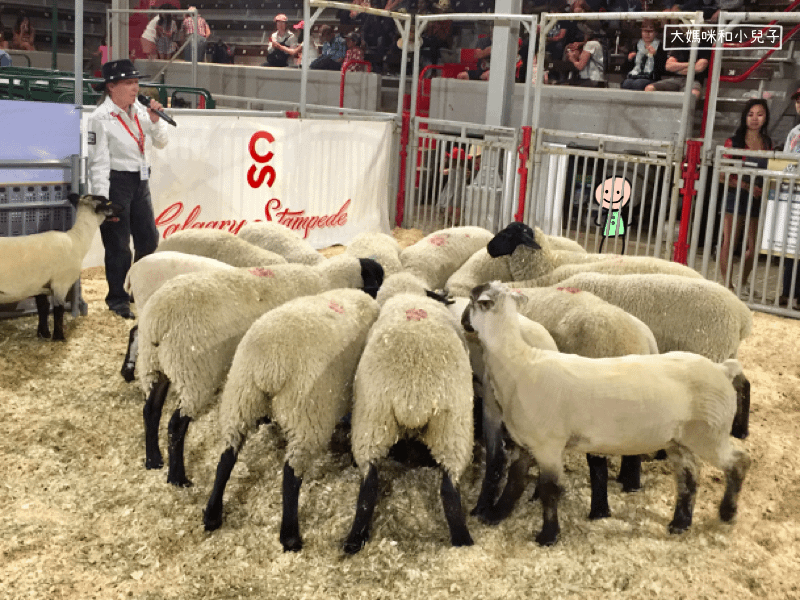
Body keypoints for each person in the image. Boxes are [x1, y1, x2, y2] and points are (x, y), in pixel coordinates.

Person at [86, 59, 170, 320]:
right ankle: (117, 298)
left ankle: (137, 288)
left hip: (140, 181)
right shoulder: (101, 117)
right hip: (116, 182)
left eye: (136, 82)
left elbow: (161, 142)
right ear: (111, 86)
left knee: (148, 239)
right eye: (128, 83)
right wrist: (102, 200)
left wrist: (156, 120)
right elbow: (98, 161)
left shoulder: (142, 111)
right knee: (119, 245)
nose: (135, 88)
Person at [718, 99, 772, 294]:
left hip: (758, 198)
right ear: (744, 117)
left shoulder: (767, 142)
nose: (755, 119)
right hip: (736, 196)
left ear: (765, 118)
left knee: (754, 246)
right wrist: (747, 186)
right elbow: (723, 175)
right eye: (751, 114)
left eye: (760, 114)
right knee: (730, 241)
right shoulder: (733, 141)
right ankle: (727, 285)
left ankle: (743, 282)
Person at [779, 86, 800, 308]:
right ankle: (787, 292)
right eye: (798, 100)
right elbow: (785, 161)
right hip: (794, 196)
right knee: (790, 247)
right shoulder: (794, 133)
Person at [644, 38, 710, 99]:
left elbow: (699, 68)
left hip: (694, 80)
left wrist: (678, 68)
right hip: (675, 79)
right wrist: (692, 64)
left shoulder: (705, 44)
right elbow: (668, 66)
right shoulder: (680, 43)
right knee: (649, 88)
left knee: (694, 94)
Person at [621, 19, 666, 90]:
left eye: (650, 31)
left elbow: (663, 69)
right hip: (635, 76)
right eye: (645, 31)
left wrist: (655, 55)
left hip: (651, 77)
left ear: (656, 33)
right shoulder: (635, 46)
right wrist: (629, 59)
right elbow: (624, 69)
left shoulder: (660, 46)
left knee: (638, 84)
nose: (647, 34)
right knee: (626, 83)